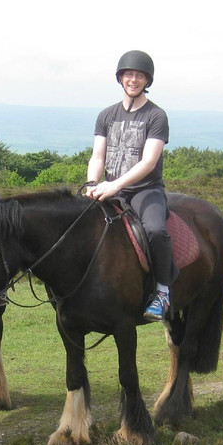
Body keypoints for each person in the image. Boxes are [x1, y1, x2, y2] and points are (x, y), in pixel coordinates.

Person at [84, 50, 172, 322]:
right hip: (110, 187)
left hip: (145, 190)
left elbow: (148, 163)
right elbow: (98, 155)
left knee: (156, 231)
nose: (133, 80)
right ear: (120, 78)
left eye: (139, 76)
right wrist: (92, 183)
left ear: (147, 80)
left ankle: (162, 291)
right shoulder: (106, 115)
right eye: (128, 74)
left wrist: (114, 186)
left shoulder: (156, 116)